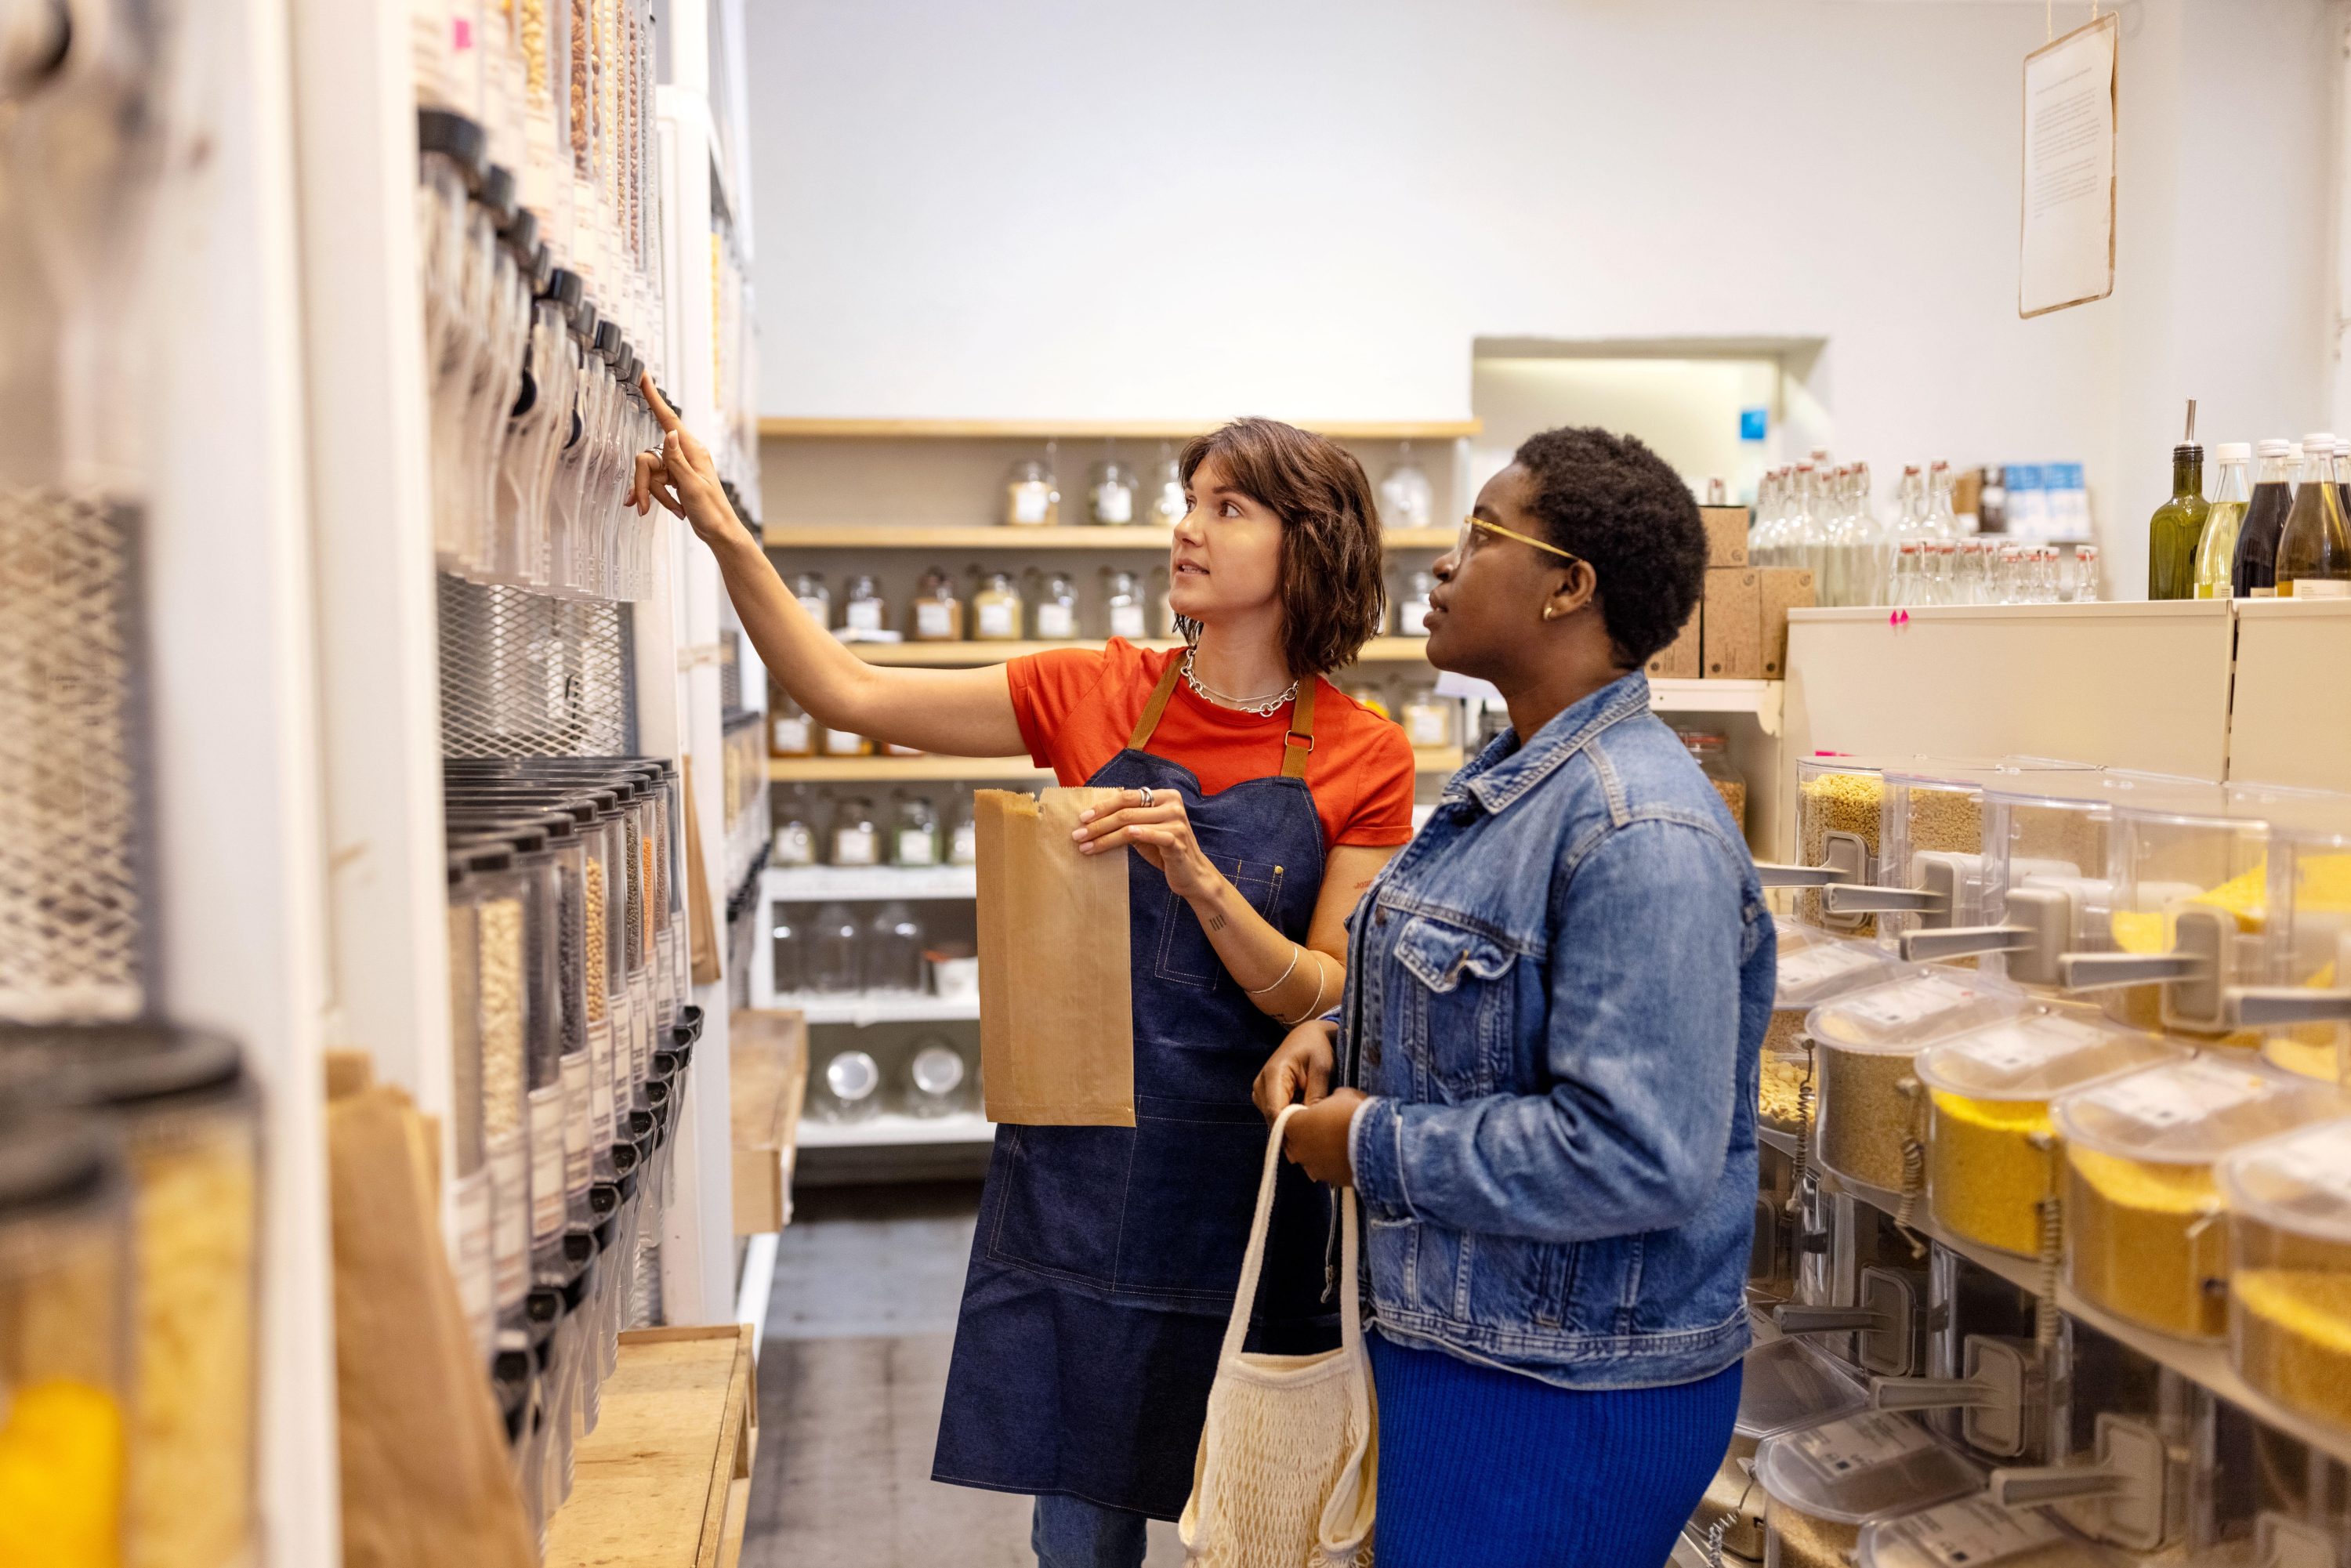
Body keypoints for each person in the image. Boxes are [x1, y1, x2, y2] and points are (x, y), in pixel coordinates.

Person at [629, 389, 1418, 1568]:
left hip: (1252, 1193)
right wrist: (724, 529)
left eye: (1229, 506)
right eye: (1187, 503)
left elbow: (1317, 995)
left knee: (1255, 1528)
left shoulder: (1365, 752)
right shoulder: (1092, 691)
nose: (1186, 529)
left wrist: (1202, 879)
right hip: (1086, 1181)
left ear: (1309, 546)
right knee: (1081, 1538)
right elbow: (847, 691)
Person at [1256, 426, 1770, 1567]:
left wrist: (1375, 1145)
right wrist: (1341, 1033)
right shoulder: (1511, 778)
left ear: (1568, 588)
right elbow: (1497, 1005)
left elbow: (1641, 1153)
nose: (1439, 566)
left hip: (1564, 1390)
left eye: (1478, 537)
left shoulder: (1641, 828)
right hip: (1473, 1352)